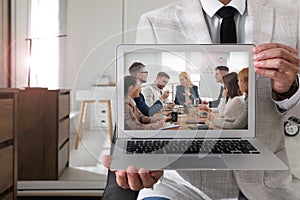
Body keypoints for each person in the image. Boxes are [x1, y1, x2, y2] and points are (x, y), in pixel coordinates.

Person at [102, 0, 300, 199]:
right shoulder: (154, 22)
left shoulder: (293, 16)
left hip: (268, 184)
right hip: (180, 184)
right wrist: (147, 161)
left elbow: (291, 119)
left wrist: (288, 90)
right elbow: (145, 111)